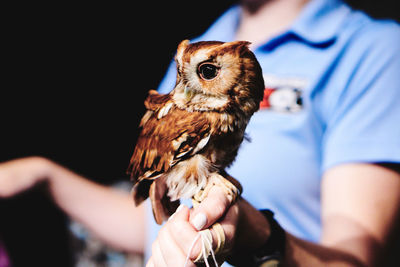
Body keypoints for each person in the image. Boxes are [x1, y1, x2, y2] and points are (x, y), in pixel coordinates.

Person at [0, 0, 399, 266]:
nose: (184, 91)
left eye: (205, 74)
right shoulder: (201, 47)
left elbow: (355, 254)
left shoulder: (372, 49)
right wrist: (44, 176)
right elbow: (153, 217)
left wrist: (258, 236)